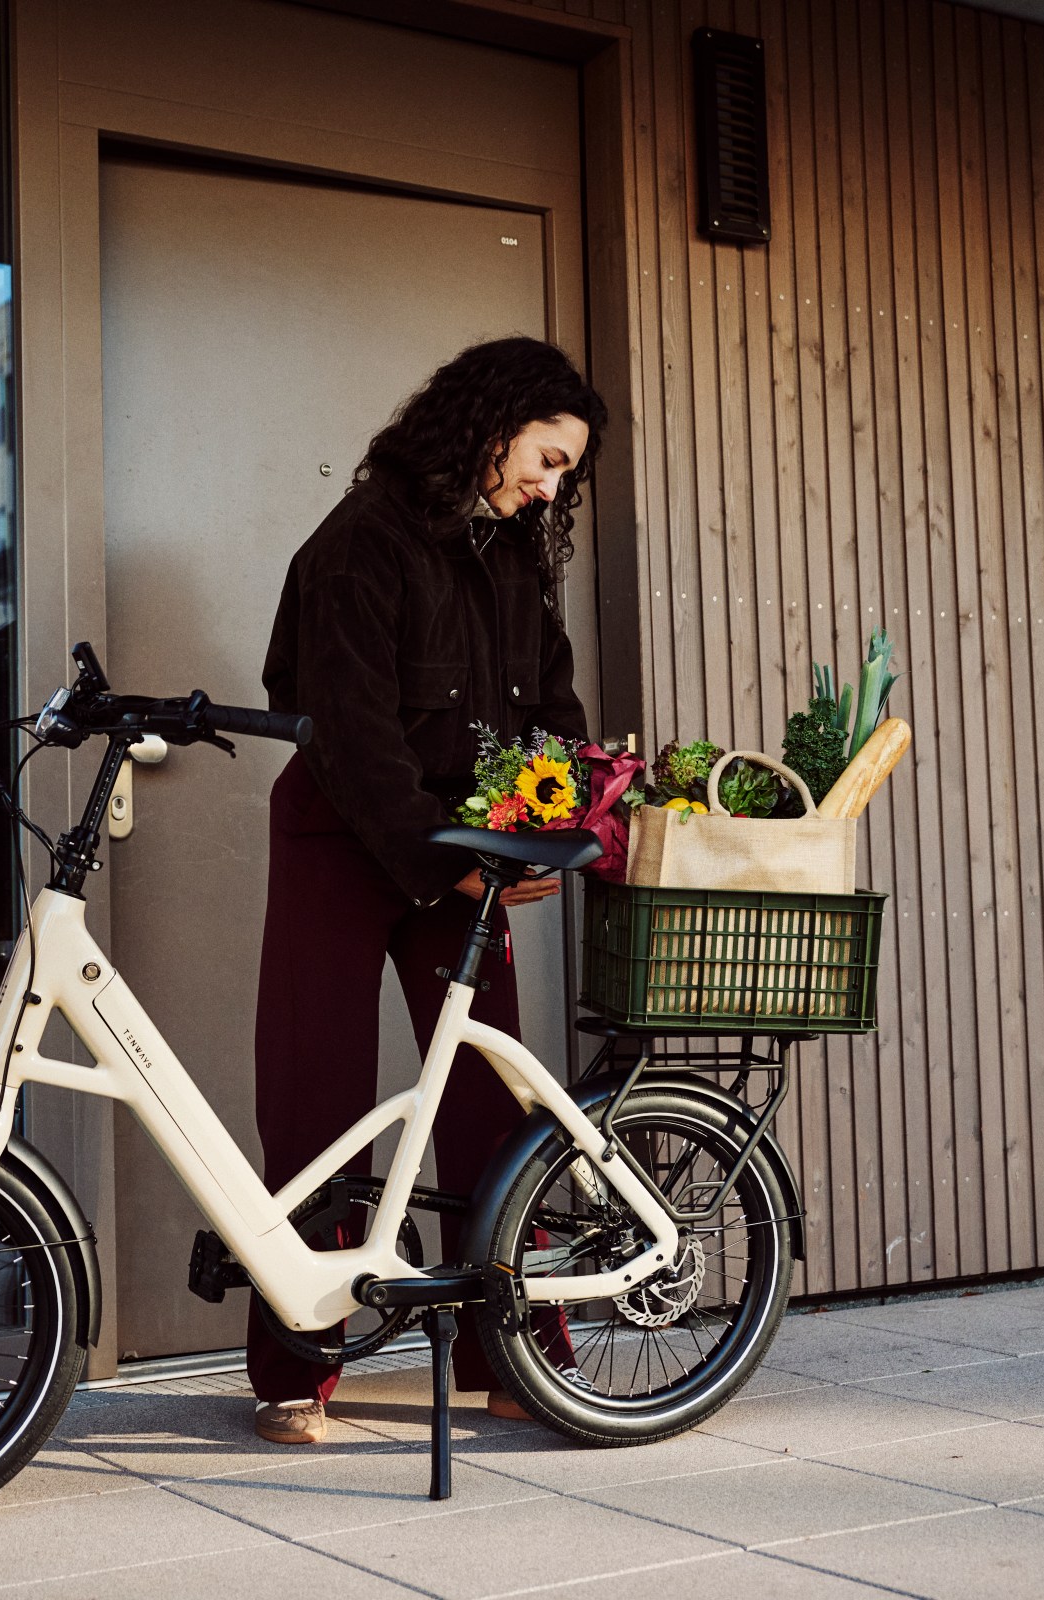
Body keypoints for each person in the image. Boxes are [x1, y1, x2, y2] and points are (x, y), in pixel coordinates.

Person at [251, 337, 607, 1445]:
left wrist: (548, 829)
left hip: (466, 846)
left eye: (564, 473)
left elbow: (554, 705)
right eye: (546, 458)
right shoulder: (359, 541)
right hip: (339, 835)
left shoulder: (512, 554)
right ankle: (296, 1369)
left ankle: (515, 1357)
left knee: (487, 1094)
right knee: (315, 1091)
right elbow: (344, 728)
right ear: (490, 426)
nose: (552, 486)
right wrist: (436, 849)